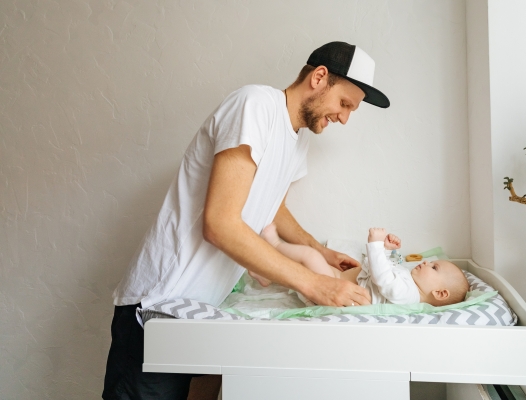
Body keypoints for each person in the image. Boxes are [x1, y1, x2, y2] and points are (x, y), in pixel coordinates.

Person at [103, 41, 390, 400]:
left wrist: (319, 250)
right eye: (344, 104)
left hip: (197, 314)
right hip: (157, 306)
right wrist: (316, 284)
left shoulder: (297, 141)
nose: (345, 118)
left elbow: (272, 208)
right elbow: (220, 224)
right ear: (319, 78)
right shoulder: (254, 106)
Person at [261, 225, 470, 306]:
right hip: (338, 280)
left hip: (333, 292)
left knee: (310, 256)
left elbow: (383, 279)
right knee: (306, 267)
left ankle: (275, 245)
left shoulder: (410, 296)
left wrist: (376, 245)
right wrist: (387, 251)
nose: (426, 262)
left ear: (440, 293)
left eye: (434, 267)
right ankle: (267, 274)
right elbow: (383, 269)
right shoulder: (409, 282)